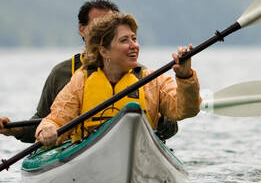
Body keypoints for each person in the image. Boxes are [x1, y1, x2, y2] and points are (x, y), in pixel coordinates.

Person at [0, 0, 180, 143]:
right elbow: (42, 122)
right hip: (74, 149)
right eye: (99, 24)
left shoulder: (142, 76)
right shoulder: (63, 73)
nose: (105, 29)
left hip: (135, 144)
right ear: (82, 30)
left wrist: (155, 117)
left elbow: (172, 128)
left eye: (111, 24)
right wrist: (14, 129)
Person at [36, 12, 200, 147]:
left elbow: (186, 110)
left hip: (143, 151)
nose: (133, 45)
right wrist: (47, 130)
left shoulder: (152, 81)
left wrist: (185, 76)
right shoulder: (81, 82)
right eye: (124, 40)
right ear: (104, 51)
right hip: (91, 152)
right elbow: (55, 119)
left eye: (134, 39)